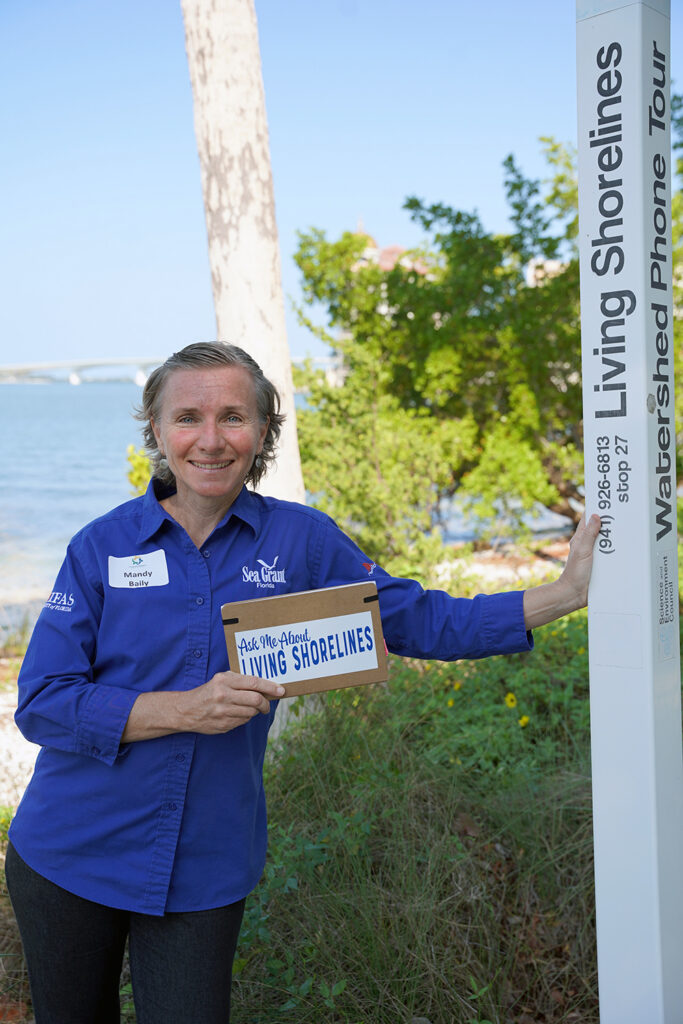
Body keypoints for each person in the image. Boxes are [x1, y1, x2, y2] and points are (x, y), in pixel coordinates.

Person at [5, 341, 601, 1024]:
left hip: (205, 861)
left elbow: (416, 620)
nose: (209, 440)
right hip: (69, 854)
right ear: (157, 431)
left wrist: (561, 596)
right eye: (186, 418)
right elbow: (44, 704)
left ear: (262, 433)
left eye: (233, 417)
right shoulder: (100, 547)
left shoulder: (303, 543)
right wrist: (184, 709)